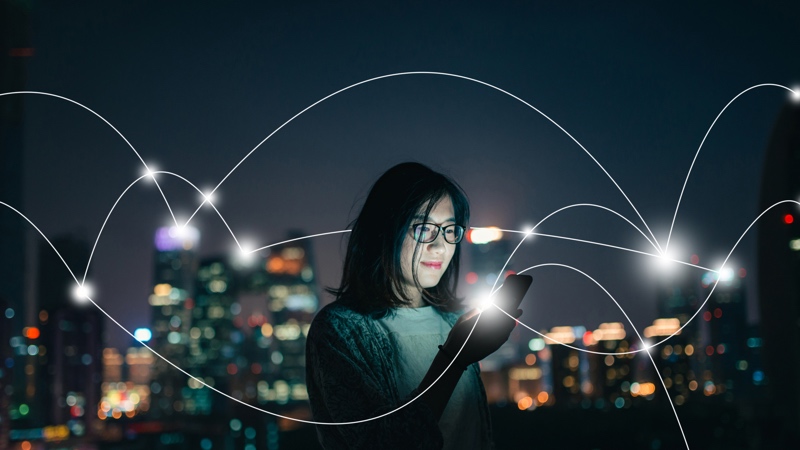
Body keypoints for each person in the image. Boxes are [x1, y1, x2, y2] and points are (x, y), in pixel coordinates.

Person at [305, 162, 522, 449]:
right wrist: (453, 359)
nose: (440, 246)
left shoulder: (453, 320)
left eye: (449, 230)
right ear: (384, 231)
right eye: (423, 229)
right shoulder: (340, 330)